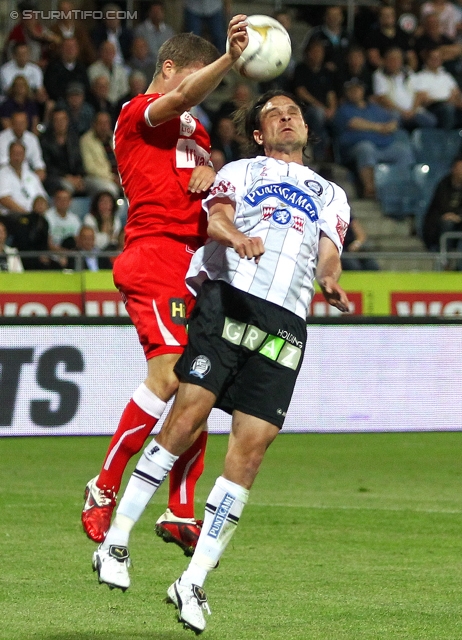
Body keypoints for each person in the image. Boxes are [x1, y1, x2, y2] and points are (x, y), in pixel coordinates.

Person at [91, 90, 350, 634]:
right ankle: (116, 540)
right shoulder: (240, 169)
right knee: (186, 418)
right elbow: (216, 222)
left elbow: (330, 250)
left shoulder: (332, 194)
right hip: (230, 301)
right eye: (274, 114)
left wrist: (330, 277)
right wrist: (238, 237)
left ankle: (194, 580)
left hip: (287, 323)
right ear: (258, 133)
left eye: (294, 112)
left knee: (251, 452)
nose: (287, 118)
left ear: (306, 128)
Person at [80, 16, 250, 551]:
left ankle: (179, 510)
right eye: (197, 80)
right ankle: (104, 486)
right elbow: (176, 102)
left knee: (199, 386)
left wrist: (213, 175)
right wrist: (229, 60)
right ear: (169, 69)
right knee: (171, 375)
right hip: (153, 254)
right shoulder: (137, 113)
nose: (203, 94)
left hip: (196, 263)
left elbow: (201, 187)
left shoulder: (197, 134)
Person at [333, 78, 415, 198]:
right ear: (347, 92)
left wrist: (391, 125)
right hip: (353, 150)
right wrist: (379, 127)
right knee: (366, 148)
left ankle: (400, 190)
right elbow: (354, 123)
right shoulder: (343, 109)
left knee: (403, 151)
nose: (355, 92)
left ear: (362, 91)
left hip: (382, 146)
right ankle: (370, 190)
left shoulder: (374, 108)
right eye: (351, 90)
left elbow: (392, 120)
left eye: (358, 89)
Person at [292, 39, 337, 162]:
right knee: (318, 114)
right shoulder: (301, 69)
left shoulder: (326, 72)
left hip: (325, 110)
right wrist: (322, 108)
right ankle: (318, 156)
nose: (317, 55)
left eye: (320, 52)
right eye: (315, 51)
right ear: (308, 53)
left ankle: (336, 157)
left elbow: (331, 93)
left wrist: (332, 109)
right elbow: (301, 92)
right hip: (305, 109)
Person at [372, 47, 437, 130]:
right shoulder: (379, 75)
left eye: (397, 59)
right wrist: (402, 112)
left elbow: (419, 93)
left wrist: (413, 110)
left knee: (431, 121)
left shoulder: (408, 72)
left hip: (413, 111)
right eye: (392, 59)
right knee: (394, 119)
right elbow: (382, 98)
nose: (395, 62)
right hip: (394, 111)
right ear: (385, 60)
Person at [423, 157, 462, 268]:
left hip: (459, 221)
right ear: (453, 169)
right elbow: (439, 206)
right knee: (447, 224)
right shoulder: (443, 184)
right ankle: (445, 261)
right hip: (439, 223)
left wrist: (458, 216)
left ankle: (459, 266)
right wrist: (451, 216)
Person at [40, 108, 87, 196]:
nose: (60, 123)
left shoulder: (74, 139)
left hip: (76, 177)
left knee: (96, 186)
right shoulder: (45, 142)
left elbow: (79, 161)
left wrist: (79, 177)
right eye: (57, 120)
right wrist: (67, 177)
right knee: (68, 187)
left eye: (63, 120)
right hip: (55, 178)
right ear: (52, 122)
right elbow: (48, 166)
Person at [80, 111, 121, 198]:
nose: (104, 126)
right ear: (94, 124)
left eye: (106, 123)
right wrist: (112, 178)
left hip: (118, 177)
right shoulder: (86, 140)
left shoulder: (115, 138)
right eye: (100, 123)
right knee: (110, 189)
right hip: (95, 178)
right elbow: (90, 168)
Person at [0, 141, 47, 215]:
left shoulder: (31, 175)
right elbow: (4, 199)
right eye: (15, 153)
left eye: (20, 154)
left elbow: (42, 196)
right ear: (9, 154)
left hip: (33, 216)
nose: (17, 157)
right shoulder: (2, 174)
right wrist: (25, 213)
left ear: (24, 155)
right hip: (12, 216)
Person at [7, 194, 51, 270]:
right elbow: (21, 238)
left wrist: (44, 254)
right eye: (38, 204)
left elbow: (44, 242)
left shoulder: (45, 222)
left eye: (43, 204)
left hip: (37, 254)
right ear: (33, 206)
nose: (40, 206)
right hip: (23, 252)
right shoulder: (25, 219)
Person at [0, 111, 46, 181]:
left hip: (29, 175)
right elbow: (3, 162)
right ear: (11, 123)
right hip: (8, 174)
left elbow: (38, 161)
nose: (19, 126)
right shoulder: (2, 138)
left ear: (27, 124)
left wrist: (40, 170)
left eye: (22, 123)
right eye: (17, 123)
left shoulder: (32, 139)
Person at [88, 41, 129, 106]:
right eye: (106, 51)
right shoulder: (93, 69)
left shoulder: (121, 70)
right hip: (100, 104)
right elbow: (94, 90)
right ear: (101, 52)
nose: (109, 54)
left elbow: (125, 89)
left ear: (115, 53)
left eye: (111, 51)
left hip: (119, 104)